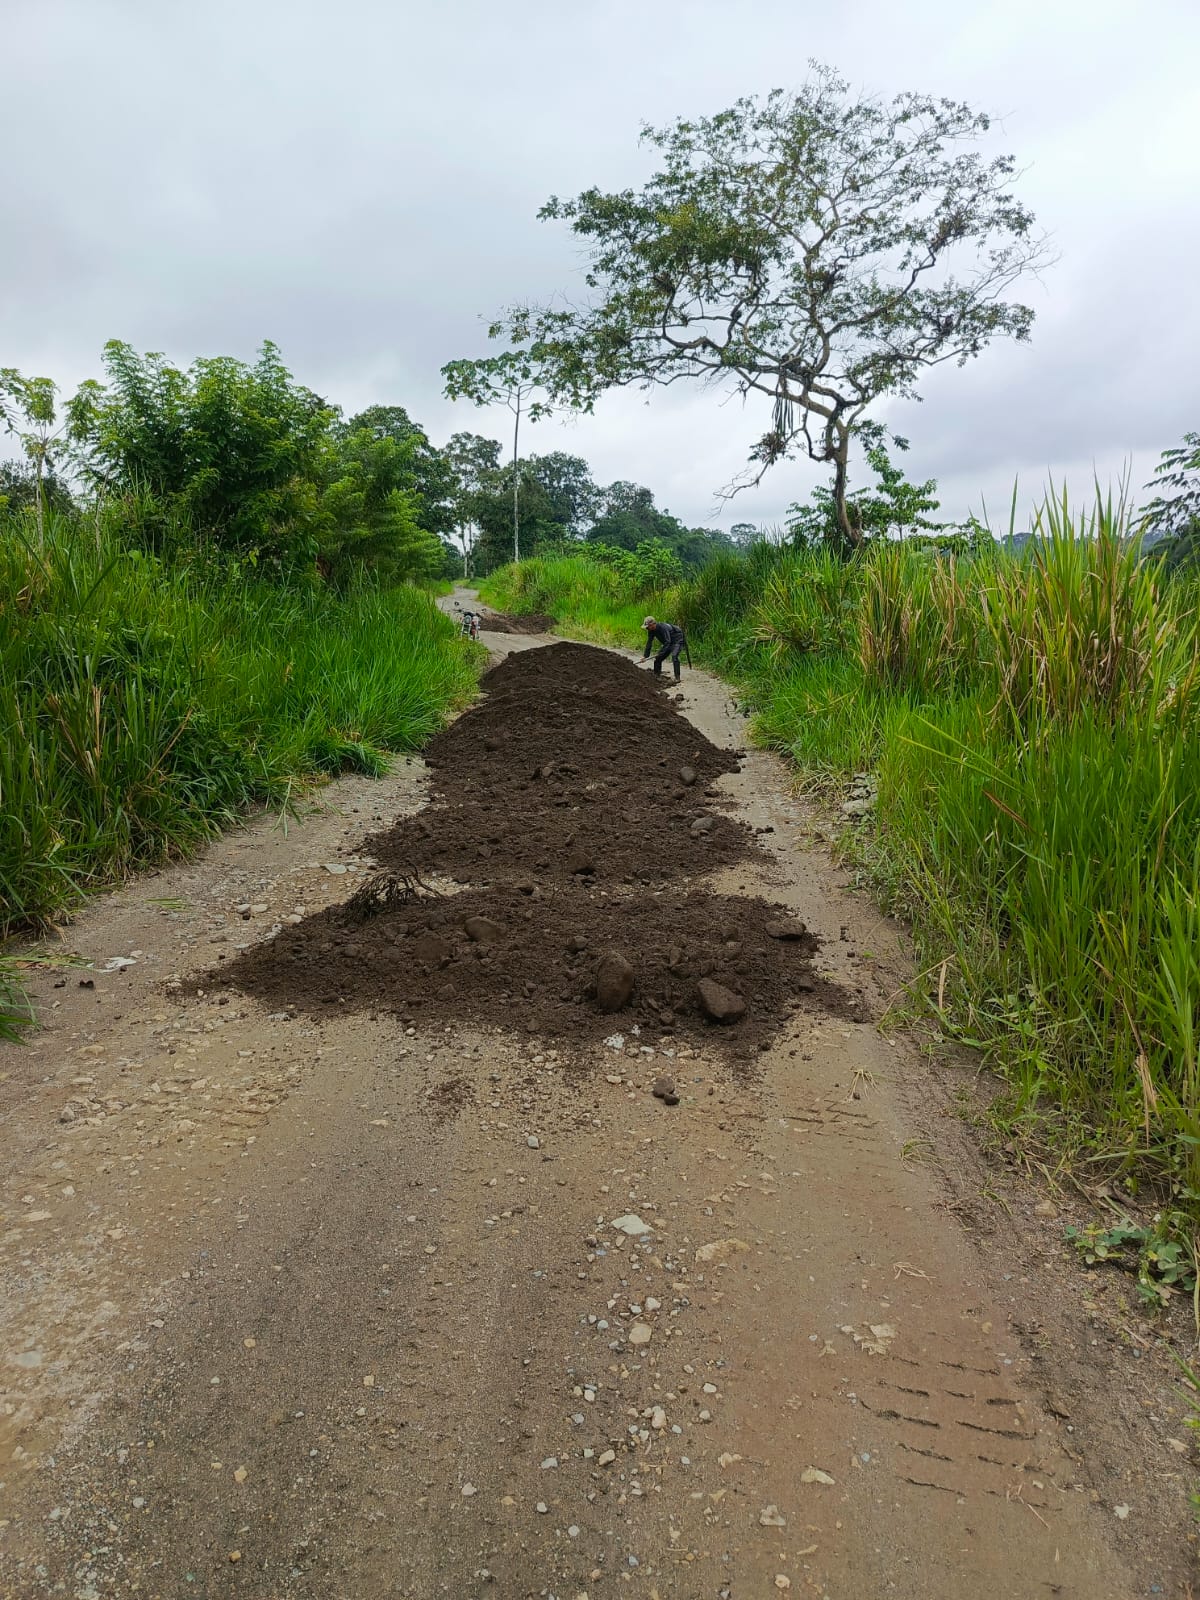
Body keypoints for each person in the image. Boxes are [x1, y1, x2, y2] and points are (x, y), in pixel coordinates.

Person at [642, 615, 686, 681]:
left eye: (647, 627)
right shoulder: (651, 631)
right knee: (658, 658)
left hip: (677, 639)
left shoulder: (662, 627)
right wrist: (645, 656)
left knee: (674, 656)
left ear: (652, 624)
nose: (647, 628)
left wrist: (660, 652)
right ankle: (656, 676)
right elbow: (649, 643)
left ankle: (677, 678)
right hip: (668, 642)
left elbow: (667, 641)